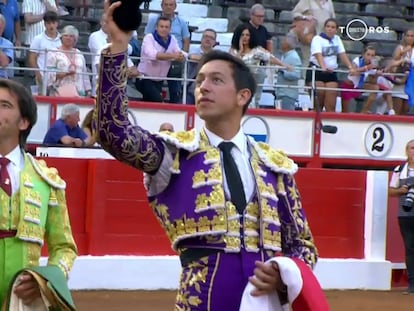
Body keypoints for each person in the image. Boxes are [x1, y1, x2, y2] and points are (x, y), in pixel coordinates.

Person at [93, 1, 320, 310]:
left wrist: (285, 275)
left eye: (216, 80)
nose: (203, 88)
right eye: (199, 81)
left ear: (243, 96)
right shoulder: (174, 153)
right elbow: (114, 134)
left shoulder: (274, 165)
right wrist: (118, 46)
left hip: (265, 302)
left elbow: (303, 245)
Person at [0, 78, 77, 306]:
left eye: (4, 105)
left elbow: (65, 248)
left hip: (22, 301)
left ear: (23, 122)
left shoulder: (47, 180)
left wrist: (44, 281)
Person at [230, 24, 291, 107]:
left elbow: (270, 58)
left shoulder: (256, 50)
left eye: (247, 35)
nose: (245, 37)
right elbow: (232, 63)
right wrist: (240, 50)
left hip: (252, 82)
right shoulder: (233, 51)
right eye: (242, 35)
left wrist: (285, 65)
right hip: (236, 83)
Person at [145, 0, 190, 103]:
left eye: (171, 5)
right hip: (157, 58)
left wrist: (182, 57)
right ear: (161, 6)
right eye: (166, 4)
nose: (168, 7)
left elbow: (186, 40)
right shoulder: (153, 20)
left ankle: (175, 103)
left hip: (175, 57)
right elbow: (147, 37)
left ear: (175, 6)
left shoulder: (181, 22)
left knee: (175, 85)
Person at [306, 18, 353, 112]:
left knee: (331, 102)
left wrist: (350, 67)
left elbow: (342, 54)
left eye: (332, 27)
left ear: (336, 30)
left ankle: (329, 123)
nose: (330, 29)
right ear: (324, 28)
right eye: (328, 27)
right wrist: (323, 67)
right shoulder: (317, 39)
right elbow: (318, 54)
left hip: (331, 72)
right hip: (318, 71)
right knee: (319, 96)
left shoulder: (337, 39)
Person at [136, 16, 185, 103]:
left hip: (159, 80)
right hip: (145, 78)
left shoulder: (172, 39)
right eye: (161, 26)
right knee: (159, 102)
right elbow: (153, 55)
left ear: (170, 29)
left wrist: (182, 55)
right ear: (156, 27)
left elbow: (178, 51)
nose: (164, 29)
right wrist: (173, 56)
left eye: (166, 27)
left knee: (149, 105)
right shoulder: (149, 38)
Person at [389, 139, 414, 295]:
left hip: (406, 214)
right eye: (412, 148)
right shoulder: (400, 169)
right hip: (405, 214)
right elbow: (391, 191)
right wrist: (403, 191)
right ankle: (412, 284)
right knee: (410, 249)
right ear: (407, 151)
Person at [340, 46, 395, 114]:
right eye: (368, 54)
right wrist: (366, 68)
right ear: (363, 55)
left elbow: (373, 82)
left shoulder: (373, 66)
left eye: (372, 55)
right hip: (349, 85)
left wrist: (376, 75)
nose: (370, 57)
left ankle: (364, 110)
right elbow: (353, 73)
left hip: (360, 86)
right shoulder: (357, 60)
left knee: (375, 87)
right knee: (345, 112)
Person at [45, 25, 91, 97]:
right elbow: (49, 75)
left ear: (75, 39)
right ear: (61, 37)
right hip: (59, 92)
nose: (68, 38)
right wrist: (66, 74)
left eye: (71, 36)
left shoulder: (79, 54)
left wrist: (88, 91)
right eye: (65, 35)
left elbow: (84, 74)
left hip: (78, 93)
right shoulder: (53, 53)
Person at [28, 10, 61, 95]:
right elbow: (32, 58)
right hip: (43, 76)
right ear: (44, 24)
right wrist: (38, 74)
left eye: (53, 23)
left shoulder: (62, 39)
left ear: (57, 23)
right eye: (48, 23)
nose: (51, 26)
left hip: (59, 77)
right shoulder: (38, 39)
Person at [277, 35, 302, 110]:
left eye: (283, 41)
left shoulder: (294, 57)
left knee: (287, 115)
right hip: (282, 93)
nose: (281, 43)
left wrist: (283, 71)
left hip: (288, 94)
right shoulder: (284, 56)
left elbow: (297, 74)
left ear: (288, 44)